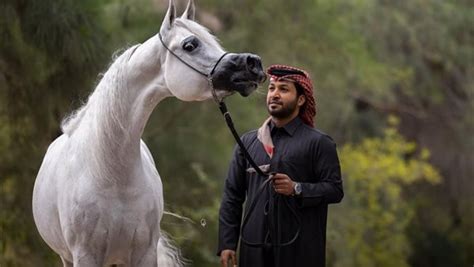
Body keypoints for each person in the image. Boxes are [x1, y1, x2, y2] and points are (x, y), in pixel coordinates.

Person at [217, 64, 344, 267]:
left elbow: (335, 190)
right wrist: (227, 243)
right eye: (272, 88)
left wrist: (297, 188)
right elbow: (232, 196)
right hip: (253, 250)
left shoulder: (319, 143)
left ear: (301, 99)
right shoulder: (248, 142)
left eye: (283, 89)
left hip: (300, 253)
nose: (275, 94)